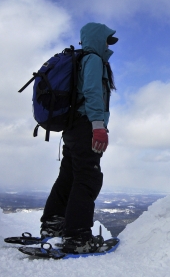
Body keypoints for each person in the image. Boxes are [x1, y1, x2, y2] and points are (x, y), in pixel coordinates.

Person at [39, 22, 118, 254]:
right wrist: (98, 126)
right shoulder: (93, 60)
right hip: (86, 126)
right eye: (106, 40)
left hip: (73, 128)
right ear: (96, 39)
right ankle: (77, 237)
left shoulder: (82, 60)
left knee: (69, 176)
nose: (108, 44)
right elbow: (92, 92)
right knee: (88, 178)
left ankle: (53, 225)